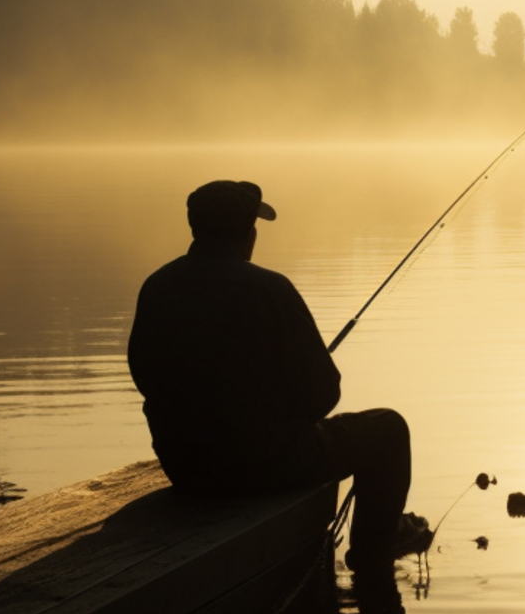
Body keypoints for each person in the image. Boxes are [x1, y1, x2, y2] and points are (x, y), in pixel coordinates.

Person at [127, 179, 425, 572]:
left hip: (185, 466)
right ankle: (373, 552)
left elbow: (144, 376)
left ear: (195, 228)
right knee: (388, 429)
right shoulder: (271, 289)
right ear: (248, 233)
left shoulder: (157, 287)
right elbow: (323, 396)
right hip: (264, 466)